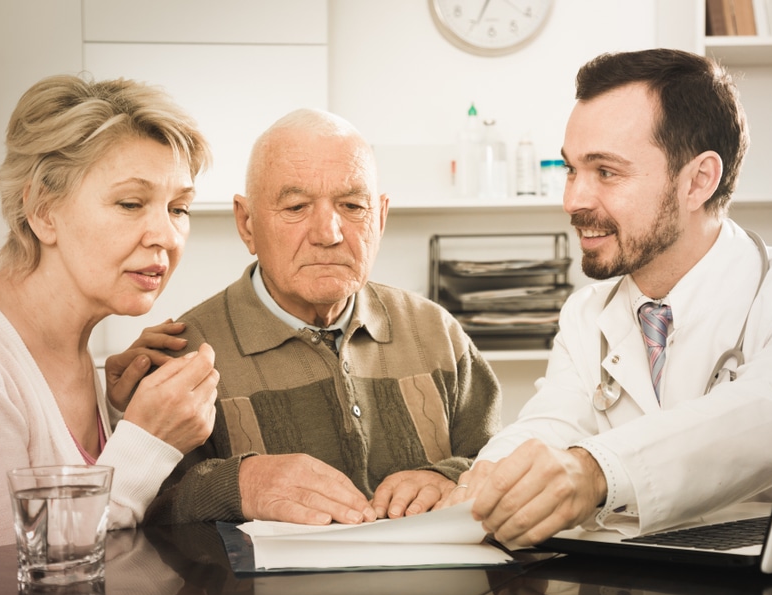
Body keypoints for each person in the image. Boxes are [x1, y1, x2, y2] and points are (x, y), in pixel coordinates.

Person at [440, 48, 772, 548]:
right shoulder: (587, 314)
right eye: (571, 170)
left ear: (698, 181)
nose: (573, 200)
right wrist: (487, 480)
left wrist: (595, 471)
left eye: (605, 172)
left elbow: (767, 413)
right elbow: (553, 420)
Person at [0, 74, 220, 577]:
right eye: (131, 203)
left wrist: (119, 416)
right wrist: (146, 441)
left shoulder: (76, 352)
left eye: (178, 208)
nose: (166, 235)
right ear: (43, 211)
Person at [108, 108, 501, 526]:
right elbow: (145, 517)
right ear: (246, 224)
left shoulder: (436, 332)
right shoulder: (182, 358)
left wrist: (451, 477)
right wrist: (236, 484)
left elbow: (501, 459)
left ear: (381, 217)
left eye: (352, 206)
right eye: (296, 207)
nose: (328, 233)